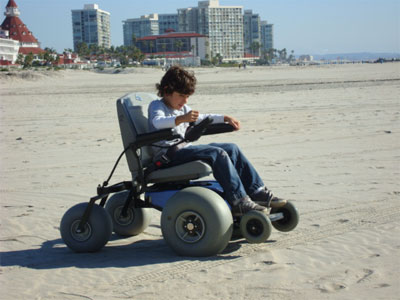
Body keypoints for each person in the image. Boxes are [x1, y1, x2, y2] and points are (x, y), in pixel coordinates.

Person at [148, 65, 287, 215]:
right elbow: (158, 122)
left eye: (187, 96)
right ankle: (239, 201)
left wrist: (224, 118)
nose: (185, 100)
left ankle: (257, 191)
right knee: (217, 153)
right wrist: (181, 119)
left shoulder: (182, 108)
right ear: (168, 90)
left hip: (184, 150)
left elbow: (201, 118)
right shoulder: (157, 105)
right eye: (182, 95)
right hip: (168, 156)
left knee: (231, 148)